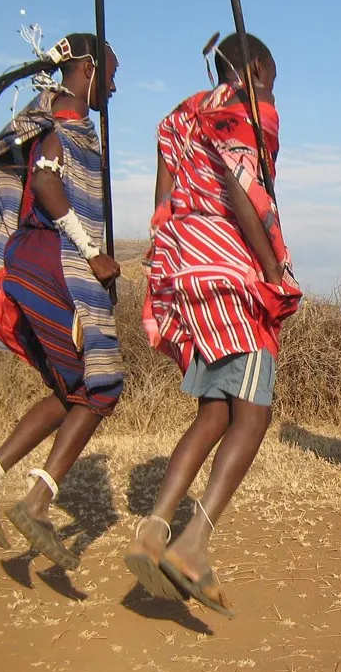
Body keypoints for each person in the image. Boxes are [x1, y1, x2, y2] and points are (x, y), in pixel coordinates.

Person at [125, 32, 301, 617]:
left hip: (186, 269)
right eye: (272, 78)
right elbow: (242, 189)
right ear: (256, 70)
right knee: (255, 413)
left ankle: (154, 529)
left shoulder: (179, 117)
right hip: (232, 271)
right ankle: (193, 545)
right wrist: (271, 270)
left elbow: (163, 202)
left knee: (217, 411)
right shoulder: (250, 109)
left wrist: (169, 263)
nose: (273, 91)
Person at [0, 32, 122, 570]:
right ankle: (37, 502)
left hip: (34, 261)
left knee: (69, 389)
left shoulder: (64, 125)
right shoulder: (61, 127)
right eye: (111, 73)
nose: (114, 87)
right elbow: (47, 184)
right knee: (101, 386)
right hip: (54, 261)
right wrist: (92, 252)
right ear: (87, 69)